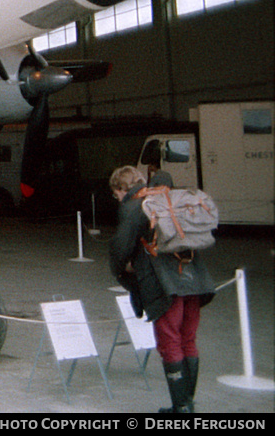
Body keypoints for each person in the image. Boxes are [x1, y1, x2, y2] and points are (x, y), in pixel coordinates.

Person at [109, 165, 215, 413]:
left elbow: (120, 248)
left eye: (116, 194)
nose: (117, 199)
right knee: (188, 339)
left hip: (165, 284)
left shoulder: (135, 206)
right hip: (194, 277)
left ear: (122, 188)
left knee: (169, 342)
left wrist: (120, 270)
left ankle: (180, 409)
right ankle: (187, 403)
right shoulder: (168, 197)